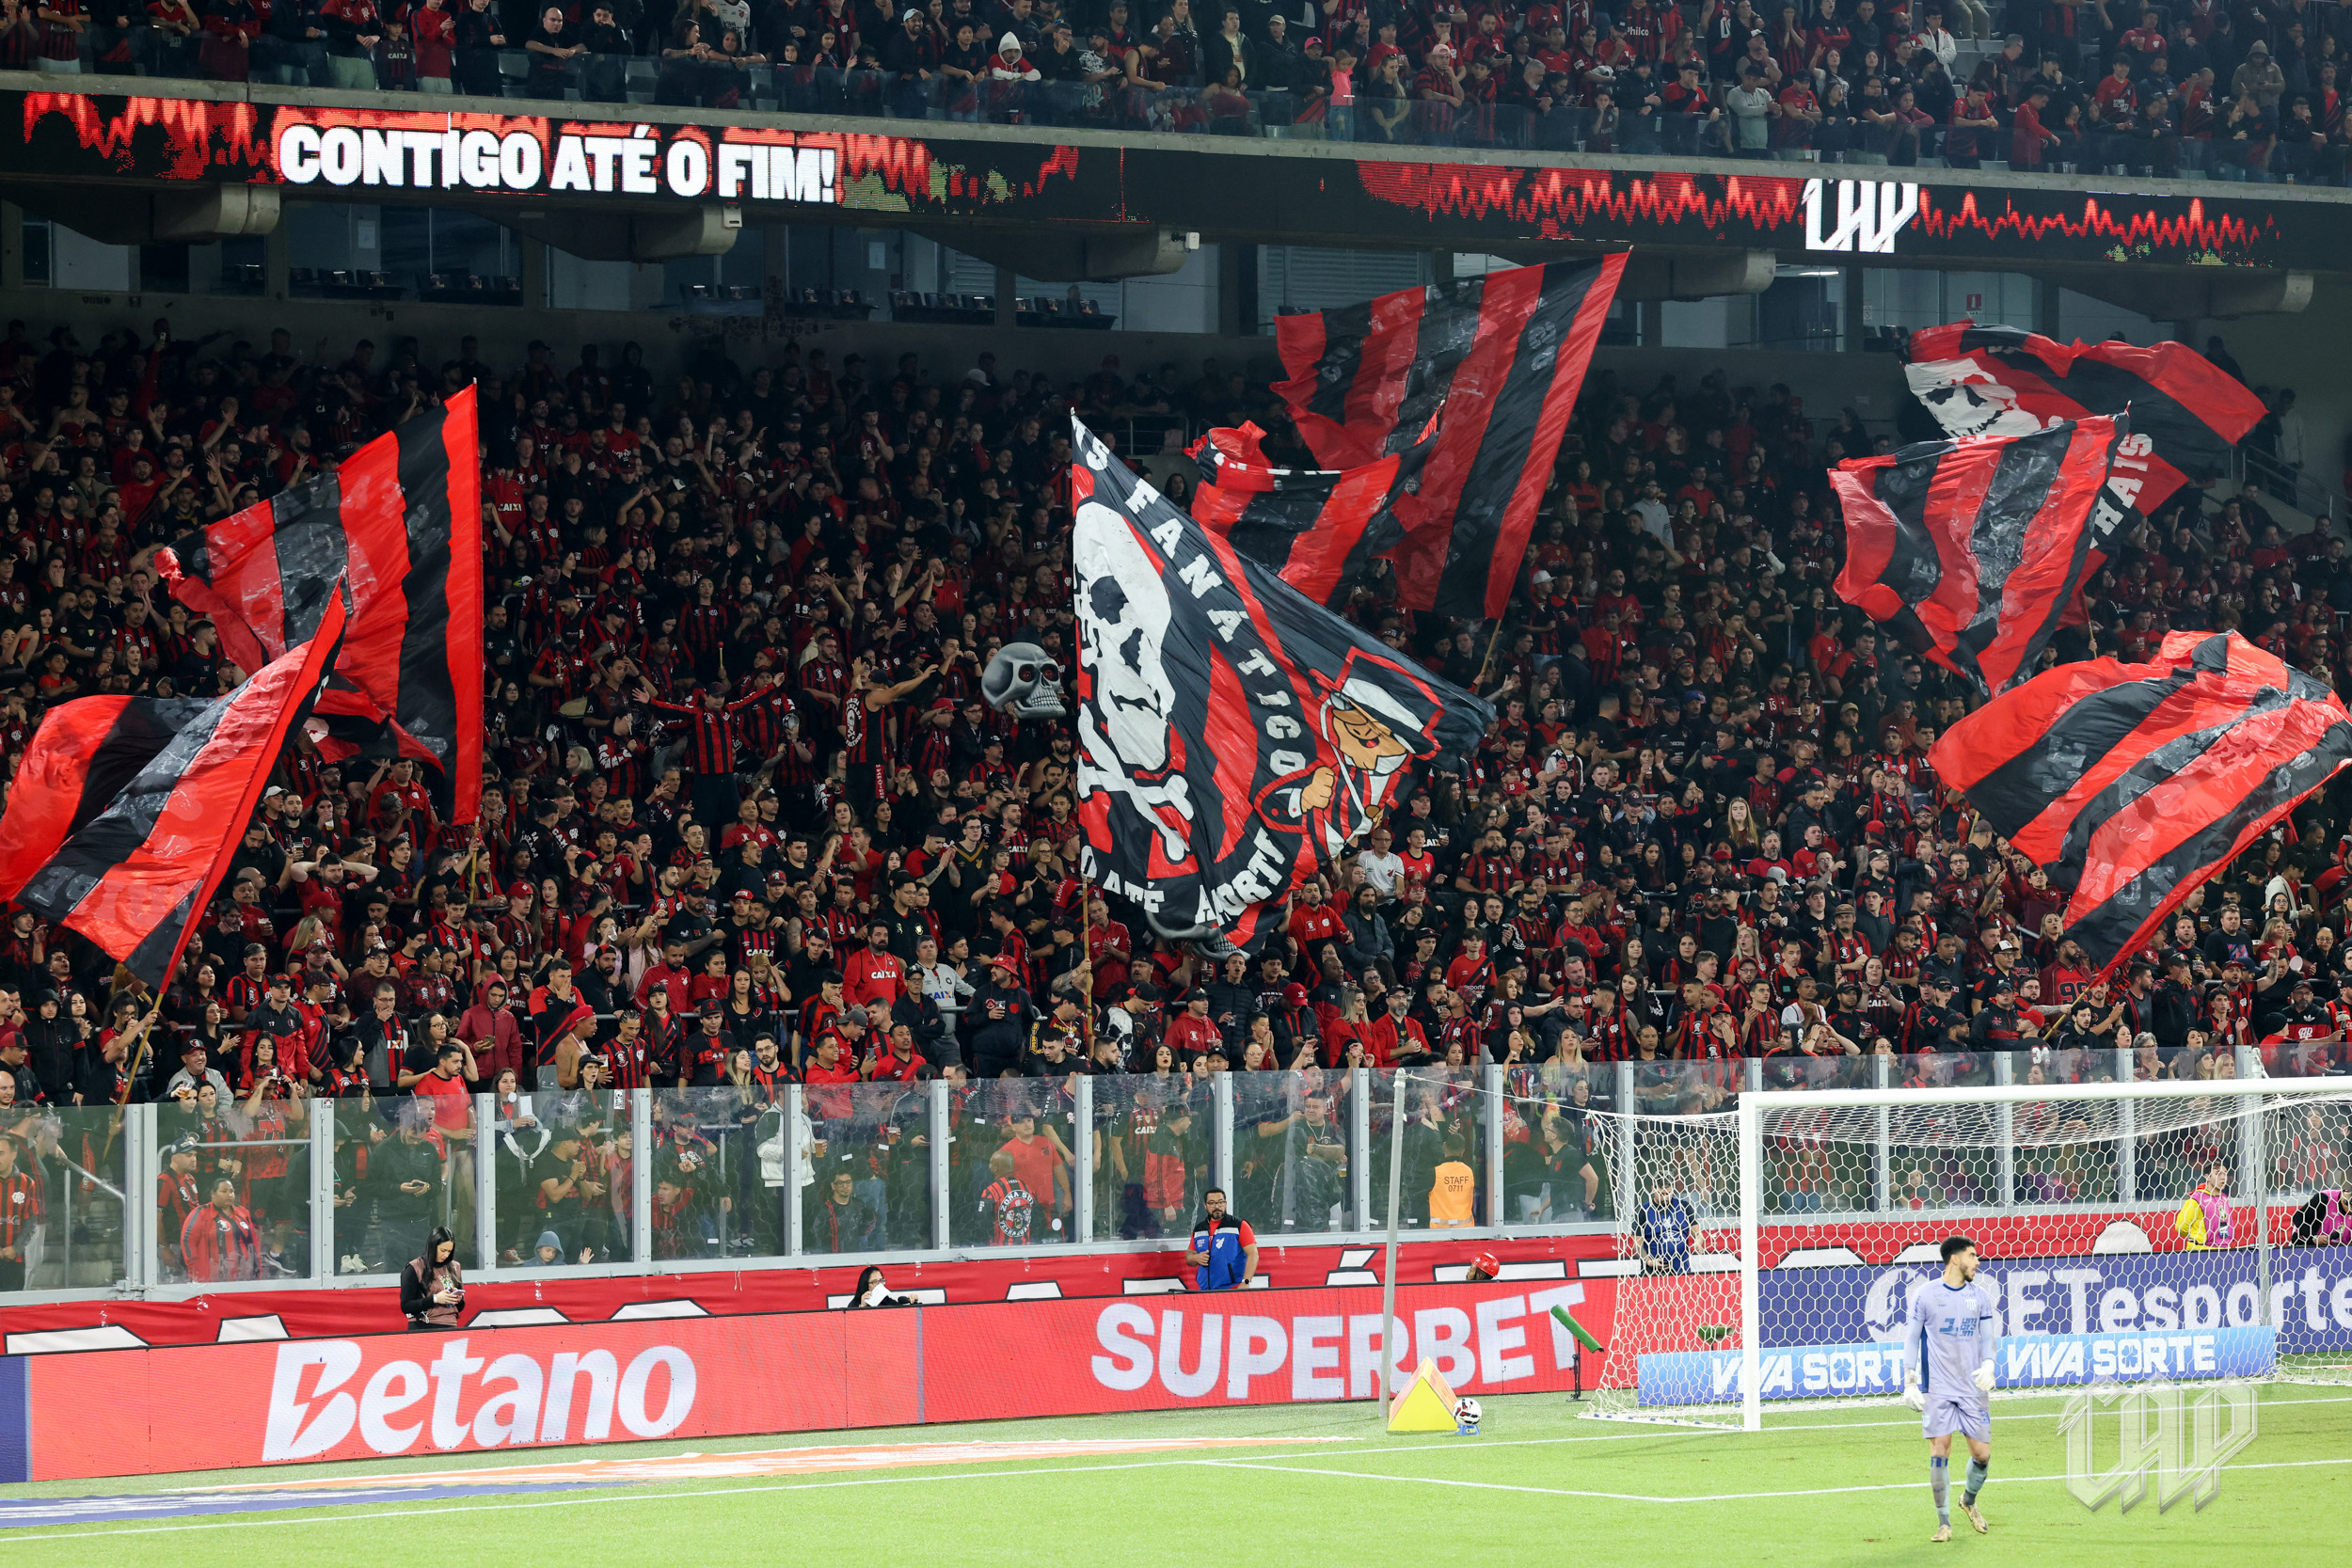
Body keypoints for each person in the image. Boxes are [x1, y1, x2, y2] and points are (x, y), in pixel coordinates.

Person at [1901, 1234, 1995, 1540]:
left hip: (1972, 1388)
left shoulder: (1980, 1296)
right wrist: (1910, 1381)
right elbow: (1912, 1339)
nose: (1977, 1261)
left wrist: (1989, 1365)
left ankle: (1968, 1500)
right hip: (1938, 1388)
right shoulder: (1926, 1295)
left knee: (1982, 1455)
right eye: (1972, 1255)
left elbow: (1988, 1337)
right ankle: (1944, 1523)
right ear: (1955, 1259)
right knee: (1939, 1450)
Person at [179, 1175, 265, 1282]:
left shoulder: (243, 1213)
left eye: (232, 1191)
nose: (229, 1194)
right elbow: (187, 1241)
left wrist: (257, 1269)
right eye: (224, 1191)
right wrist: (195, 1270)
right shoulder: (201, 1213)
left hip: (244, 1278)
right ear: (213, 1194)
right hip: (212, 1279)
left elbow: (254, 1242)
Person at [1184, 1184, 1257, 1289]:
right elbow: (1189, 1256)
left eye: (1220, 1202)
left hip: (1232, 1289)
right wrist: (1196, 1258)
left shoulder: (1239, 1225)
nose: (1217, 1206)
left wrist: (1245, 1282)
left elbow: (1253, 1254)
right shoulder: (1199, 1229)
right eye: (1211, 1203)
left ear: (1225, 1203)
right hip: (1205, 1290)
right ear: (1205, 1205)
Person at [400, 1224, 465, 1328]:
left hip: (451, 1325)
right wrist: (435, 1299)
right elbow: (406, 1306)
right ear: (433, 1247)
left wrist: (458, 1299)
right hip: (424, 1325)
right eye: (443, 1250)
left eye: (449, 1251)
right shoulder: (414, 1268)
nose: (446, 1255)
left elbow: (460, 1307)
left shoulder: (455, 1266)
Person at [2174, 1159, 2235, 1249]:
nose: (2223, 1177)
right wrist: (2198, 1237)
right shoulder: (2196, 1199)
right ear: (2207, 1177)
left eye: (2225, 1173)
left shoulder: (2224, 1198)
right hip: (2202, 1251)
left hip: (2223, 1250)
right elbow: (2181, 1227)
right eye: (2218, 1173)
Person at [1636, 1179, 1693, 1274]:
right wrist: (1649, 1262)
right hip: (1653, 1273)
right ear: (1653, 1189)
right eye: (1661, 1194)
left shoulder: (1684, 1207)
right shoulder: (1644, 1211)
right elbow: (1637, 1244)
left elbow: (1697, 1234)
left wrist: (1698, 1243)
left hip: (1681, 1270)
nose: (1665, 1198)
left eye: (1668, 1193)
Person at [847, 1262, 914, 1306]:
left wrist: (912, 1301)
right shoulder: (854, 1304)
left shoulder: (886, 1301)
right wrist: (862, 1307)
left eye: (881, 1281)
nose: (879, 1285)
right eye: (875, 1281)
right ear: (866, 1285)